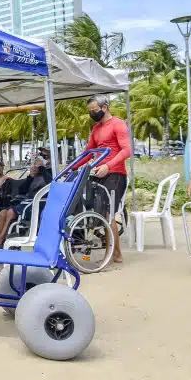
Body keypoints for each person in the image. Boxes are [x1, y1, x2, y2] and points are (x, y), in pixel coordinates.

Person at [73, 94, 131, 264]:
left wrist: (109, 165)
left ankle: (113, 254)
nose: (92, 114)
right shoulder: (96, 129)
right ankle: (114, 252)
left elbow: (127, 150)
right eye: (90, 111)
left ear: (105, 107)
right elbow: (89, 153)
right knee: (96, 213)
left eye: (94, 110)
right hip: (99, 173)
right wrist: (73, 166)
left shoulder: (118, 124)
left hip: (115, 174)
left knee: (108, 214)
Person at [0, 149, 52, 247]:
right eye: (41, 156)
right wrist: (31, 177)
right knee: (3, 212)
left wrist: (42, 169)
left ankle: (0, 240)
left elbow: (51, 183)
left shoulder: (51, 171)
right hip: (28, 202)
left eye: (45, 157)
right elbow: (22, 190)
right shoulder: (37, 173)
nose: (42, 159)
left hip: (41, 203)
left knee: (10, 212)